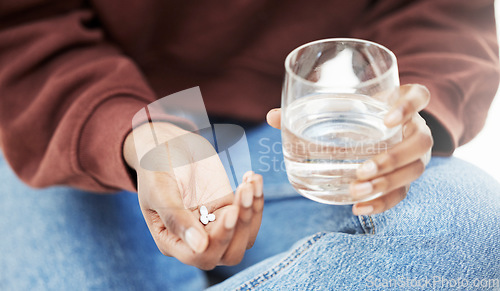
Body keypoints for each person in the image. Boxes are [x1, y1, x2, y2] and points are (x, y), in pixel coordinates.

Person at [0, 0, 499, 289]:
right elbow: (20, 26)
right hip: (81, 127)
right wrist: (144, 134)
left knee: (467, 225)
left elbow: (442, 10)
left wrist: (395, 115)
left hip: (314, 138)